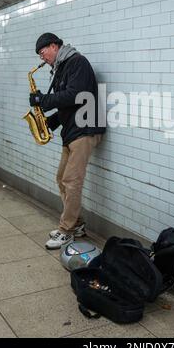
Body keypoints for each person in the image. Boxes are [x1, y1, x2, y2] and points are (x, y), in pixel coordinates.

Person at [30, 33, 105, 249]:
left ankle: (66, 230)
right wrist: (51, 121)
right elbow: (68, 104)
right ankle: (77, 224)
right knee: (62, 178)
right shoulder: (62, 67)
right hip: (72, 130)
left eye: (42, 52)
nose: (42, 58)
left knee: (71, 182)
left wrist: (44, 100)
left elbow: (76, 94)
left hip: (85, 130)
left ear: (53, 46)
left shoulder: (77, 62)